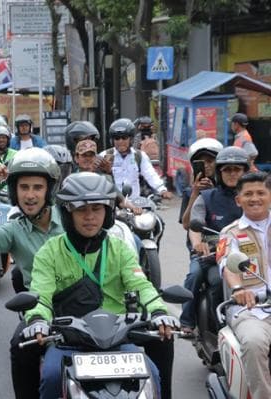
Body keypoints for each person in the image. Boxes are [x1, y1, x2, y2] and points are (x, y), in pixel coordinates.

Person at [24, 172, 178, 399]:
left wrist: (159, 312)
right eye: (81, 210)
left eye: (96, 209)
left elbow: (141, 284)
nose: (90, 217)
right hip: (68, 340)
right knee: (51, 377)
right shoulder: (50, 252)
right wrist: (38, 320)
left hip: (117, 340)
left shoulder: (119, 248)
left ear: (107, 214)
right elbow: (41, 295)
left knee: (152, 374)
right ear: (68, 213)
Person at [0, 148, 63, 399]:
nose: (30, 195)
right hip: (41, 306)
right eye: (23, 187)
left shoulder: (69, 218)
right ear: (14, 191)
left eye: (37, 187)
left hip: (81, 299)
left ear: (49, 190)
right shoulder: (14, 230)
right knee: (20, 345)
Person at [180, 146, 249, 333]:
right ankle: (198, 323)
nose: (232, 173)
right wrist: (197, 244)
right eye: (227, 169)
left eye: (237, 169)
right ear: (220, 172)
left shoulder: (253, 196)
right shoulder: (206, 197)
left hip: (250, 253)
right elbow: (194, 226)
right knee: (202, 277)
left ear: (245, 172)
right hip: (213, 255)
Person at [217, 172, 271, 399]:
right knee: (254, 342)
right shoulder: (230, 233)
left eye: (261, 193)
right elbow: (228, 265)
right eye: (248, 194)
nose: (255, 198)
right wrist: (239, 289)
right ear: (238, 200)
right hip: (250, 309)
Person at [100, 118, 172, 200]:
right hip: (112, 204)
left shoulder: (139, 156)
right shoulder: (105, 156)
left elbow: (150, 174)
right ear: (112, 140)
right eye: (117, 138)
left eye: (124, 138)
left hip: (135, 204)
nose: (120, 141)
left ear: (131, 139)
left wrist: (162, 190)